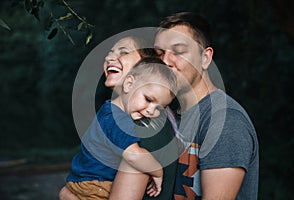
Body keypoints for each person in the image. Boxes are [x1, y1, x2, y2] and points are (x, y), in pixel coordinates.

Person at [109, 12, 259, 200]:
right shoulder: (156, 113)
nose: (165, 62)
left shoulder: (226, 122)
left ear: (205, 58)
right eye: (159, 54)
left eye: (178, 51)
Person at [59, 37, 178, 200]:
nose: (109, 58)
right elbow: (133, 155)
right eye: (110, 53)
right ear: (130, 83)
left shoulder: (143, 126)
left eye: (124, 52)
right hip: (93, 186)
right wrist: (157, 171)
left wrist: (67, 195)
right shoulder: (120, 117)